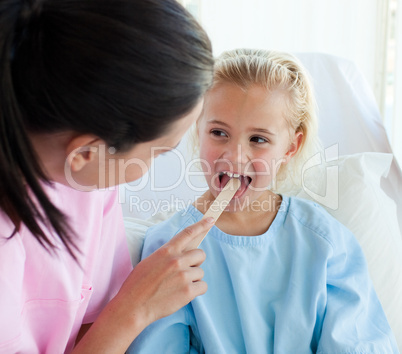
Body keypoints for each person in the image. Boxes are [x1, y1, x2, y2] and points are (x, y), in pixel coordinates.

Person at [128, 49, 399, 353]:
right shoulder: (168, 248)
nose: (234, 155)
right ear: (199, 129)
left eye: (258, 139)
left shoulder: (326, 243)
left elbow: (357, 344)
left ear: (290, 147)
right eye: (219, 133)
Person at [0, 0, 216, 352]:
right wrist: (135, 308)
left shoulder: (88, 184)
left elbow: (91, 322)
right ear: (86, 152)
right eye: (159, 152)